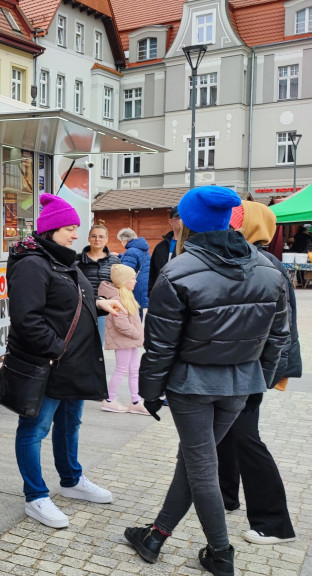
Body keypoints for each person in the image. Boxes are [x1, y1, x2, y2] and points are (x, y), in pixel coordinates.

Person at [125, 186, 289, 576]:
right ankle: (156, 535)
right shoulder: (269, 268)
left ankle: (220, 552)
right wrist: (259, 382)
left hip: (192, 387)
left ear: (189, 222)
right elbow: (278, 337)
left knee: (201, 468)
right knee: (194, 460)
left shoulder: (177, 271)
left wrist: (149, 392)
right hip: (239, 384)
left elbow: (160, 345)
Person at [7, 193, 123, 529]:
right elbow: (26, 319)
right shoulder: (33, 264)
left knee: (70, 424)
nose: (76, 234)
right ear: (51, 230)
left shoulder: (62, 260)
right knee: (34, 429)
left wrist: (101, 304)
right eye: (70, 228)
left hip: (72, 364)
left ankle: (71, 480)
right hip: (50, 364)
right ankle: (36, 496)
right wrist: (58, 350)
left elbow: (72, 298)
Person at [216, 200, 299, 545]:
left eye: (235, 221)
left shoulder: (261, 264)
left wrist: (265, 376)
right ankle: (226, 495)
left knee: (247, 439)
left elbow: (281, 330)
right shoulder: (252, 258)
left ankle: (274, 523)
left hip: (250, 369)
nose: (228, 225)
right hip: (241, 367)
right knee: (229, 433)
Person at [97, 265, 147, 414]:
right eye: (132, 278)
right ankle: (110, 400)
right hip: (123, 340)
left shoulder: (127, 296)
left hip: (129, 340)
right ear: (124, 281)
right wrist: (137, 334)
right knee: (121, 369)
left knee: (134, 370)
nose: (135, 281)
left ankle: (136, 401)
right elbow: (121, 323)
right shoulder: (118, 298)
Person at [78, 224, 120, 344]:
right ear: (88, 238)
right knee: (81, 344)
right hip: (83, 307)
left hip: (104, 308)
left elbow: (119, 284)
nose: (97, 239)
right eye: (94, 236)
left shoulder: (114, 260)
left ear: (107, 239)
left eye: (101, 236)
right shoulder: (77, 260)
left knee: (98, 344)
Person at [117, 228, 150, 321]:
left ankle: (134, 332)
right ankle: (138, 330)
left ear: (126, 240)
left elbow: (126, 270)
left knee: (133, 311)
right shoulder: (142, 249)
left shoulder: (131, 251)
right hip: (144, 284)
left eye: (121, 241)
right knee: (138, 309)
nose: (121, 243)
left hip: (135, 285)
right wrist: (121, 256)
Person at [149, 206, 181, 293]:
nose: (182, 221)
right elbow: (153, 274)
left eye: (184, 217)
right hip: (162, 294)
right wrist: (151, 294)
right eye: (178, 218)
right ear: (171, 221)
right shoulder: (161, 247)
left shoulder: (192, 245)